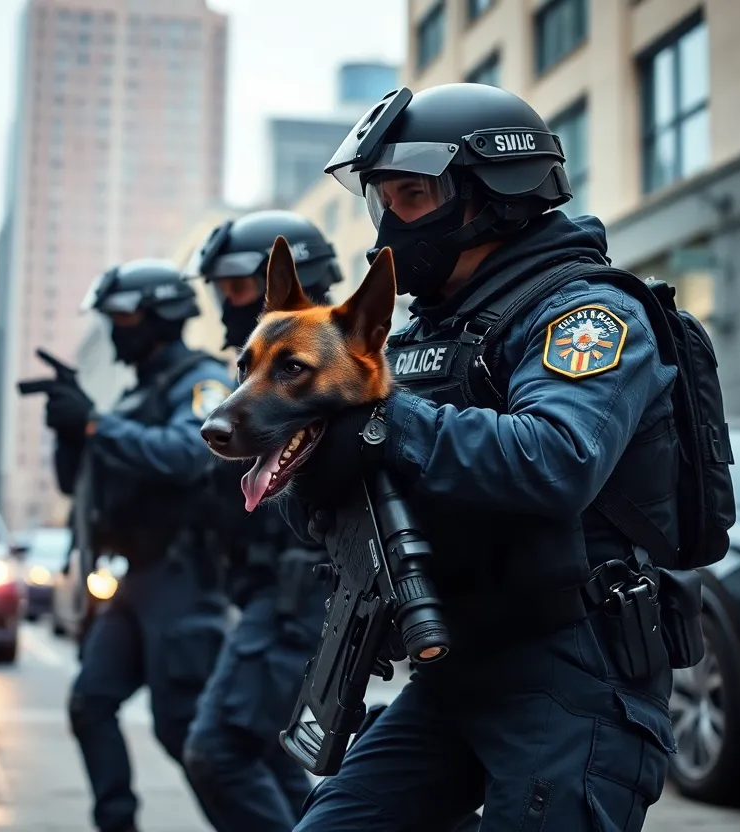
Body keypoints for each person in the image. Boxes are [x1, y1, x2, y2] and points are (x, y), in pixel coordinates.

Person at [281, 83, 683, 830]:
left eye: (410, 195)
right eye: (382, 199)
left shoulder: (587, 313)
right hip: (456, 668)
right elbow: (342, 502)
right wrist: (309, 473)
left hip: (573, 677)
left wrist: (378, 421)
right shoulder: (423, 334)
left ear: (490, 195)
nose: (388, 225)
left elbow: (556, 457)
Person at [43, 259, 233, 832]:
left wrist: (96, 425)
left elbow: (193, 451)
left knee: (189, 732)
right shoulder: (135, 396)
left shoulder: (202, 382)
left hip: (184, 578)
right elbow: (77, 486)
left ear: (160, 316)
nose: (115, 329)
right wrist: (70, 429)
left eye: (123, 316)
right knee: (91, 702)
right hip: (135, 579)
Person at [180, 210, 343, 831]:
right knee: (257, 754)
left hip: (296, 593)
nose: (227, 304)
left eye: (240, 287)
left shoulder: (331, 368)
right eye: (221, 291)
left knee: (218, 751)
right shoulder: (257, 371)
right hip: (264, 592)